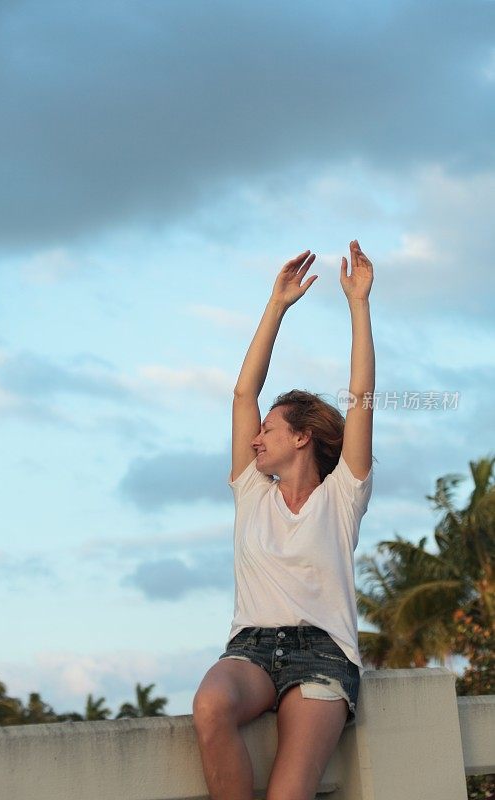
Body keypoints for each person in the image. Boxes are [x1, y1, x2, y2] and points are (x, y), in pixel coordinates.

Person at [193, 240, 375, 800]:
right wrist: (277, 306)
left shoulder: (343, 494)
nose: (254, 438)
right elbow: (243, 391)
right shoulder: (252, 490)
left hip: (323, 657)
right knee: (209, 706)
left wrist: (358, 304)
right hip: (249, 651)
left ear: (301, 438)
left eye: (267, 430)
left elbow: (361, 399)